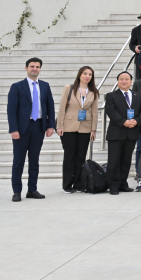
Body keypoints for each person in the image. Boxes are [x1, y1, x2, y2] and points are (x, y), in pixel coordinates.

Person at [7, 57, 56, 202]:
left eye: (37, 66)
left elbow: (50, 107)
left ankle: (32, 189)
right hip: (22, 128)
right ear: (26, 68)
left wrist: (51, 125)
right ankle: (17, 191)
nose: (35, 68)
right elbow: (11, 110)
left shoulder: (45, 86)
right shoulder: (17, 86)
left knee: (34, 160)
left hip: (39, 126)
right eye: (32, 66)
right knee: (19, 161)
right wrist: (13, 129)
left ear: (40, 68)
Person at [56, 65, 98, 193]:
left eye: (90, 74)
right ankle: (67, 185)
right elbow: (62, 107)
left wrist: (94, 129)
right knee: (69, 156)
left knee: (81, 156)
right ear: (80, 75)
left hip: (85, 127)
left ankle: (78, 184)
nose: (87, 76)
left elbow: (95, 112)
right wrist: (59, 125)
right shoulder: (69, 88)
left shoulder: (93, 91)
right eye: (85, 73)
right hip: (68, 126)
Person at [104, 71, 141, 195]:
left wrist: (136, 121)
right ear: (118, 81)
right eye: (121, 79)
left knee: (126, 160)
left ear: (131, 81)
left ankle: (123, 183)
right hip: (116, 133)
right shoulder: (111, 96)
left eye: (127, 79)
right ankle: (113, 185)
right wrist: (124, 122)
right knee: (114, 160)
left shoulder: (138, 95)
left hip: (131, 133)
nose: (124, 81)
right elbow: (111, 112)